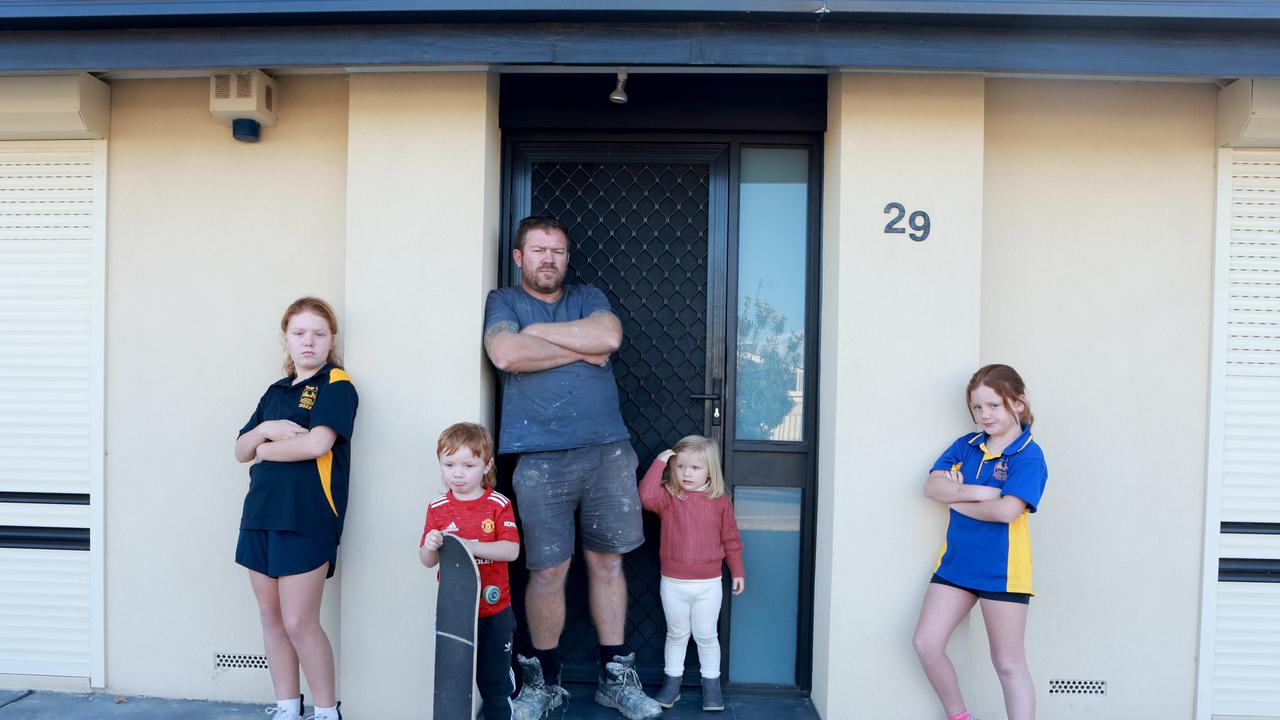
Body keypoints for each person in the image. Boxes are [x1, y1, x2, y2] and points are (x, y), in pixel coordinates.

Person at [483, 215, 661, 720]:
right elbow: (506, 351)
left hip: (607, 450)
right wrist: (569, 346)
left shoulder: (589, 296)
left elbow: (608, 338)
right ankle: (545, 683)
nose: (548, 259)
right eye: (538, 250)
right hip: (539, 458)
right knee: (547, 570)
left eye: (557, 251)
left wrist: (539, 335)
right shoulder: (504, 302)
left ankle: (615, 678)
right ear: (519, 257)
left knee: (608, 562)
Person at [233, 297, 358, 720]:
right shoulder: (274, 392)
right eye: (300, 333)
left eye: (319, 333)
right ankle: (288, 708)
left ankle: (326, 712)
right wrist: (265, 430)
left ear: (331, 340)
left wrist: (265, 449)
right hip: (260, 516)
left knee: (300, 622)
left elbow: (316, 444)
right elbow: (239, 449)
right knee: (271, 619)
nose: (309, 341)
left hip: (306, 519)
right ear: (286, 338)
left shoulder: (337, 385)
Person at [912, 364, 1048, 720]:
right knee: (926, 644)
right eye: (977, 407)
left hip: (1002, 571)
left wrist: (956, 501)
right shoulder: (966, 446)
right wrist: (978, 492)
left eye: (994, 406)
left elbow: (1007, 512)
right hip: (957, 566)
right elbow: (931, 486)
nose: (984, 415)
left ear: (1018, 404)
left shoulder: (1029, 456)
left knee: (1007, 664)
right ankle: (959, 716)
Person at [420, 422, 521, 720]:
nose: (458, 473)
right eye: (449, 464)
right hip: (455, 614)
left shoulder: (498, 504)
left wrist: (471, 546)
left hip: (494, 609)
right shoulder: (437, 508)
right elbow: (427, 561)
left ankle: (503, 690)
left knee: (491, 684)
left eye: (468, 465)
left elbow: (511, 550)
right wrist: (429, 545)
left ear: (486, 465)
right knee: (455, 682)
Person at [638, 435, 745, 712]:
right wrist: (660, 462)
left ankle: (712, 689)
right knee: (676, 634)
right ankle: (671, 687)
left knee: (706, 635)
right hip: (673, 583)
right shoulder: (669, 497)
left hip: (709, 584)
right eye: (680, 466)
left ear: (710, 470)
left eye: (695, 468)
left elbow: (731, 538)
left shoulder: (720, 501)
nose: (686, 473)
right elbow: (646, 496)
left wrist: (737, 570)